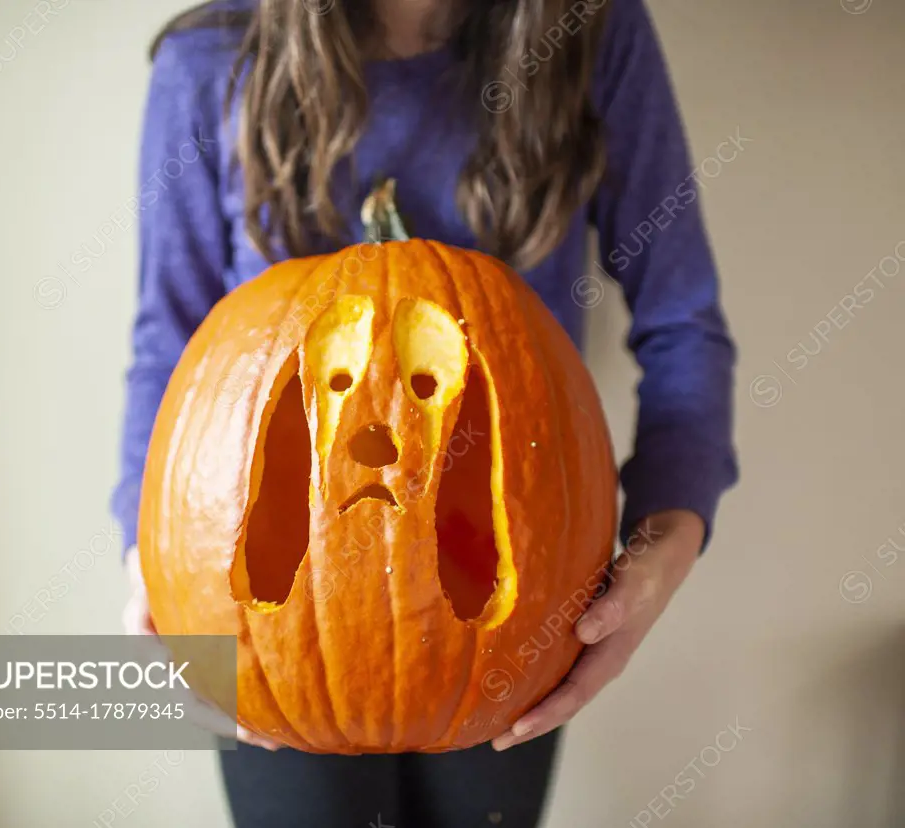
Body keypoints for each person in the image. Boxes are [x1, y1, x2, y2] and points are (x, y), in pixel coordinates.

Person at [117, 0, 738, 825]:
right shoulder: (213, 58)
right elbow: (171, 343)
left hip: (505, 592)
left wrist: (665, 548)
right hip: (268, 610)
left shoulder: (591, 27)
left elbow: (681, 320)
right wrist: (146, 552)